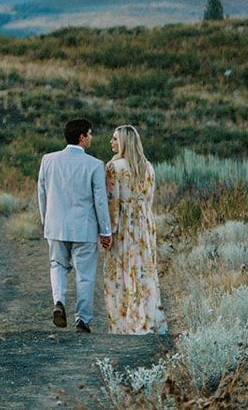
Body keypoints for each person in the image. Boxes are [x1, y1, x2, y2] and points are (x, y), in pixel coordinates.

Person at [37, 118, 112, 333]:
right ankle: (82, 320)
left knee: (57, 266)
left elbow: (41, 193)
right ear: (81, 137)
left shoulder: (48, 160)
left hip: (55, 225)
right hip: (84, 228)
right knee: (85, 275)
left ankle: (58, 301)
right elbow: (100, 201)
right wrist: (105, 231)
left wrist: (46, 221)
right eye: (90, 133)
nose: (92, 137)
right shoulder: (95, 165)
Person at [104, 125, 165, 334]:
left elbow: (112, 202)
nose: (111, 142)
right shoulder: (148, 167)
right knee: (143, 271)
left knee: (121, 273)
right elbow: (149, 199)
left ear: (123, 142)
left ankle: (125, 322)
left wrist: (108, 232)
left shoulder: (114, 167)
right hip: (144, 223)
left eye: (114, 139)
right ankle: (146, 318)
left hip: (123, 225)